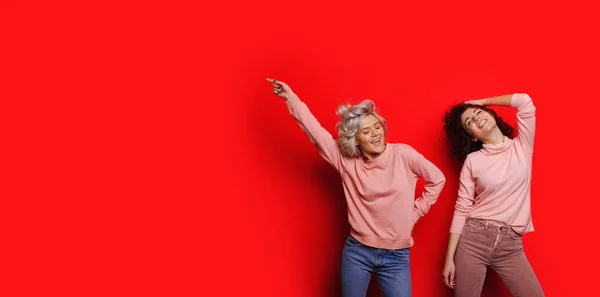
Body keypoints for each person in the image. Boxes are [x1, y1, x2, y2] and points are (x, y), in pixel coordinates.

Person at [266, 78, 446, 297]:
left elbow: (438, 179)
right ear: (355, 139)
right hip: (358, 251)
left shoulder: (403, 154)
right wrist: (291, 98)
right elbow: (314, 131)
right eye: (366, 132)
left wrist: (415, 214)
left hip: (396, 256)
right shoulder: (346, 162)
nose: (376, 134)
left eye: (377, 127)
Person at [441, 93, 545, 297]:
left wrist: (482, 101)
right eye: (470, 121)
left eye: (479, 113)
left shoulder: (521, 147)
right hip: (474, 240)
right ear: (472, 136)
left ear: (492, 115)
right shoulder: (473, 161)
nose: (477, 118)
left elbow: (524, 101)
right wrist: (449, 259)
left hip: (510, 245)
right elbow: (462, 208)